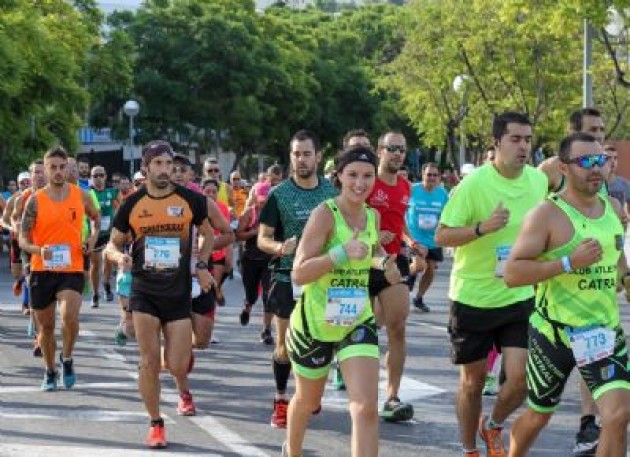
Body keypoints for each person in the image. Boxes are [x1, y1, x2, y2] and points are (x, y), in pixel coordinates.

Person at [504, 132, 630, 457]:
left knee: (617, 415)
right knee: (538, 417)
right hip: (555, 332)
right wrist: (567, 262)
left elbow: (617, 260)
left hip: (602, 331)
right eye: (585, 161)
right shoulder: (546, 214)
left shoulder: (613, 207)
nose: (596, 168)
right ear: (563, 167)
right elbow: (513, 273)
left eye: (600, 160)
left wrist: (626, 279)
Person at [435, 112, 548, 457]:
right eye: (515, 139)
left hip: (518, 295)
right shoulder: (474, 185)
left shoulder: (537, 182)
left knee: (521, 381)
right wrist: (481, 229)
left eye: (528, 140)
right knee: (472, 383)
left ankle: (494, 424)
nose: (523, 146)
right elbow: (442, 235)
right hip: (473, 297)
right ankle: (470, 449)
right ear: (496, 143)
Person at [283, 146, 400, 457]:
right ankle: (291, 451)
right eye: (353, 175)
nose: (360, 183)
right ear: (338, 176)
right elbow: (299, 273)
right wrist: (339, 254)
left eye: (367, 176)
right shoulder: (325, 214)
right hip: (315, 323)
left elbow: (371, 255)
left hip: (356, 319)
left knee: (365, 408)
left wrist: (385, 265)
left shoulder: (372, 216)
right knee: (308, 401)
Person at [106, 140, 214, 448]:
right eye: (159, 164)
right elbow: (112, 245)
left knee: (178, 364)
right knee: (149, 362)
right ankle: (155, 423)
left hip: (178, 294)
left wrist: (202, 264)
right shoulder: (131, 204)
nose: (166, 170)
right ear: (146, 168)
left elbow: (208, 233)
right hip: (145, 292)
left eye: (169, 164)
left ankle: (175, 372)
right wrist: (119, 258)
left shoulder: (191, 200)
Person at [538, 107, 607, 456]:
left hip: (592, 290)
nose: (600, 137)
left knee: (593, 347)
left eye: (603, 130)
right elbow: (531, 210)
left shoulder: (600, 169)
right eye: (593, 130)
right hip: (549, 287)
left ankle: (587, 423)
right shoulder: (553, 169)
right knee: (533, 400)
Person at [257, 129, 337, 429]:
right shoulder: (279, 195)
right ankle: (280, 399)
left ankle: (308, 395)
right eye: (295, 154)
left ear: (318, 157)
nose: (300, 160)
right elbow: (262, 239)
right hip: (287, 275)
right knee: (285, 345)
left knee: (322, 340)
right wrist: (279, 247)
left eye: (306, 154)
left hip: (325, 278)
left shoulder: (332, 193)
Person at [19, 146, 100, 391]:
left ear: (68, 168)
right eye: (52, 167)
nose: (57, 172)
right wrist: (38, 251)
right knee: (45, 327)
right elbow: (23, 239)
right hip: (42, 269)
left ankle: (67, 358)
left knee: (69, 317)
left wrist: (92, 239)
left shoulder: (81, 195)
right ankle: (50, 370)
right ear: (45, 169)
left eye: (62, 167)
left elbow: (96, 221)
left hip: (72, 267)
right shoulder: (35, 200)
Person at [367, 131, 425, 423]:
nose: (397, 154)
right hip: (363, 263)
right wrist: (373, 236)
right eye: (391, 149)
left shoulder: (405, 187)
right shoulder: (366, 182)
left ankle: (392, 396)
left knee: (398, 327)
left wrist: (411, 243)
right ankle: (344, 364)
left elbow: (399, 225)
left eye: (401, 150)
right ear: (379, 150)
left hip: (393, 262)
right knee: (361, 328)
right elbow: (350, 219)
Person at [406, 162, 449, 312]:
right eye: (428, 174)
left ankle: (419, 297)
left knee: (430, 269)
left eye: (434, 175)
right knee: (419, 266)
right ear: (422, 175)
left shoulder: (442, 193)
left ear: (438, 177)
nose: (431, 178)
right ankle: (408, 275)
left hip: (433, 239)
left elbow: (447, 215)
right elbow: (401, 207)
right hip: (415, 237)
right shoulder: (412, 190)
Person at [236, 182, 274, 344]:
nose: (263, 202)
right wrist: (255, 232)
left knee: (268, 295)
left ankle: (266, 330)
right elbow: (238, 235)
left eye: (266, 199)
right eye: (260, 199)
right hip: (250, 259)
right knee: (251, 293)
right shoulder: (249, 214)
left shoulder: (275, 214)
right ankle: (247, 306)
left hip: (268, 259)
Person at [89, 165, 119, 307]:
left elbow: (123, 207)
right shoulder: (88, 194)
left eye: (101, 175)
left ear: (106, 177)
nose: (99, 178)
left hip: (109, 233)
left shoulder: (112, 192)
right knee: (95, 265)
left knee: (108, 262)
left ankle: (106, 283)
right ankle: (95, 294)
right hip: (95, 234)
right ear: (91, 178)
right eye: (95, 176)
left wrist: (118, 219)